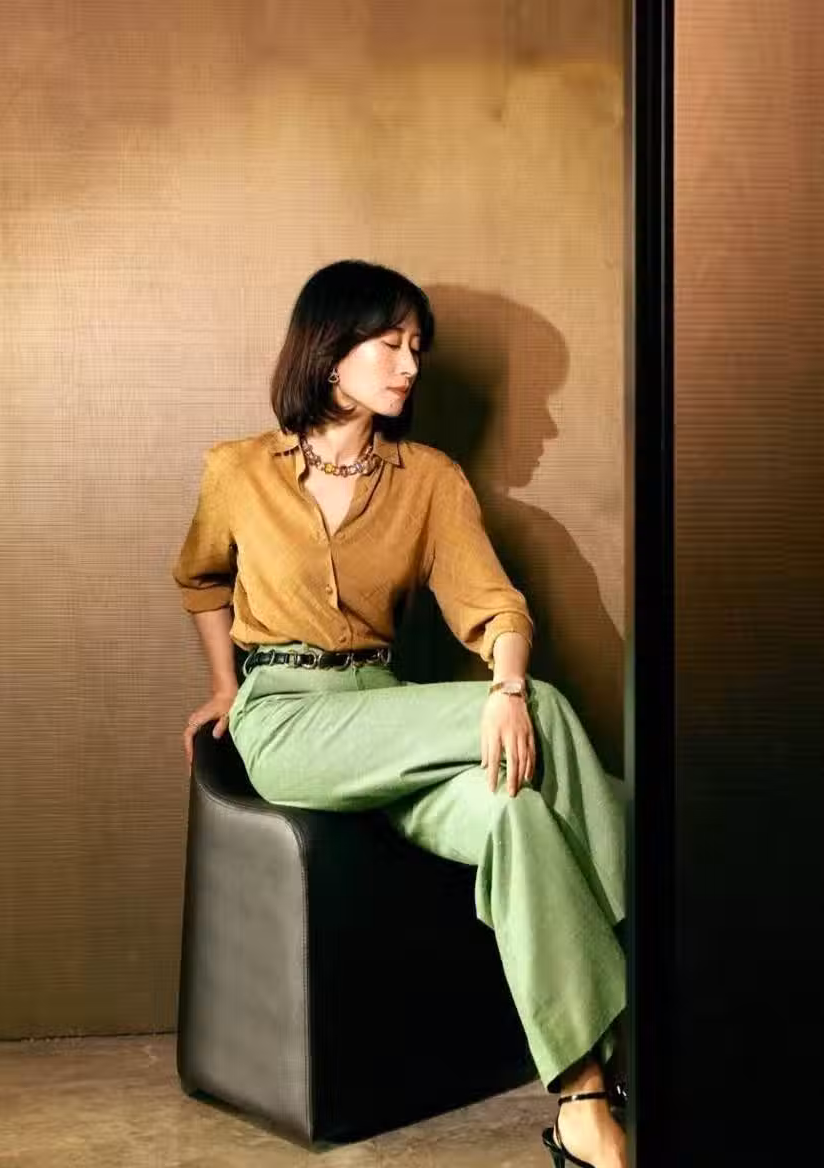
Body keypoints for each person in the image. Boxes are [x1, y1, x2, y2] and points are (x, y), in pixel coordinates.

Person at [172, 259, 628, 1168]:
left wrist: (504, 683)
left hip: (385, 710)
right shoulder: (237, 469)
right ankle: (670, 942)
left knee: (518, 814)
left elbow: (495, 608)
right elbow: (201, 579)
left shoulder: (428, 480)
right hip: (290, 719)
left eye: (418, 346)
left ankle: (583, 1100)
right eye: (391, 343)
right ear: (329, 349)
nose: (411, 364)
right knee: (536, 705)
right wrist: (227, 686)